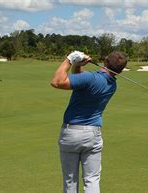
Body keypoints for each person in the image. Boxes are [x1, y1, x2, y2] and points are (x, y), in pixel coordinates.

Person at [51, 51, 127, 193]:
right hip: (93, 135)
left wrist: (69, 59)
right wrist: (78, 66)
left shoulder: (90, 78)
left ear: (104, 60)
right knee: (92, 179)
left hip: (71, 133)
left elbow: (57, 82)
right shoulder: (112, 85)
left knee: (70, 179)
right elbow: (80, 81)